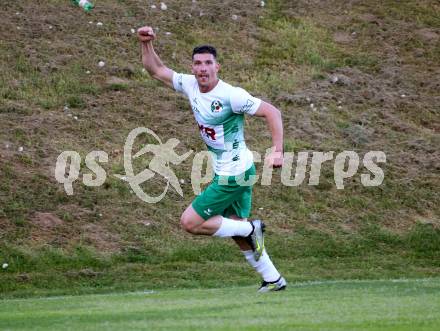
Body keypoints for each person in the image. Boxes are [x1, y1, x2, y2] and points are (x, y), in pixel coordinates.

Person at [137, 26, 286, 292]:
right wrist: (145, 43)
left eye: (208, 63)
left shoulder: (232, 95)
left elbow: (272, 112)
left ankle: (253, 230)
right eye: (197, 63)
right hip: (230, 170)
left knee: (191, 223)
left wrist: (277, 150)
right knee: (236, 229)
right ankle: (273, 278)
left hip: (236, 174)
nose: (202, 68)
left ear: (218, 67)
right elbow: (156, 70)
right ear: (193, 68)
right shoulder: (190, 84)